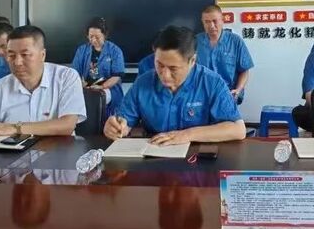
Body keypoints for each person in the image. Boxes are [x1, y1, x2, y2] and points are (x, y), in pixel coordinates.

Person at [104, 26, 246, 145]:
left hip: (197, 158)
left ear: (192, 61)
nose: (164, 75)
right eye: (159, 65)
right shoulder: (143, 83)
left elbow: (238, 129)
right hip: (154, 154)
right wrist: (116, 128)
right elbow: (124, 121)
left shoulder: (211, 83)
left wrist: (187, 135)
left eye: (173, 68)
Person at [0, 25, 86, 139]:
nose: (17, 62)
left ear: (42, 55)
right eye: (11, 55)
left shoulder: (66, 77)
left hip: (59, 154)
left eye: (25, 55)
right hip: (11, 156)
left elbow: (67, 125)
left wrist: (15, 128)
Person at [196, 5, 254, 104]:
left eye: (215, 21)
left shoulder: (235, 41)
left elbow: (244, 71)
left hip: (228, 95)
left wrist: (238, 90)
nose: (211, 25)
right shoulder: (195, 42)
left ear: (222, 20)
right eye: (207, 22)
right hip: (202, 96)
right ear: (203, 22)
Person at [71, 17, 125, 114]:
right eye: (91, 36)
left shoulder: (115, 51)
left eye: (97, 37)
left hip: (108, 88)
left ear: (104, 35)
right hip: (87, 87)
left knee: (96, 99)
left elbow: (117, 76)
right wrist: (81, 83)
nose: (93, 40)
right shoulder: (82, 50)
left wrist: (102, 86)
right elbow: (74, 72)